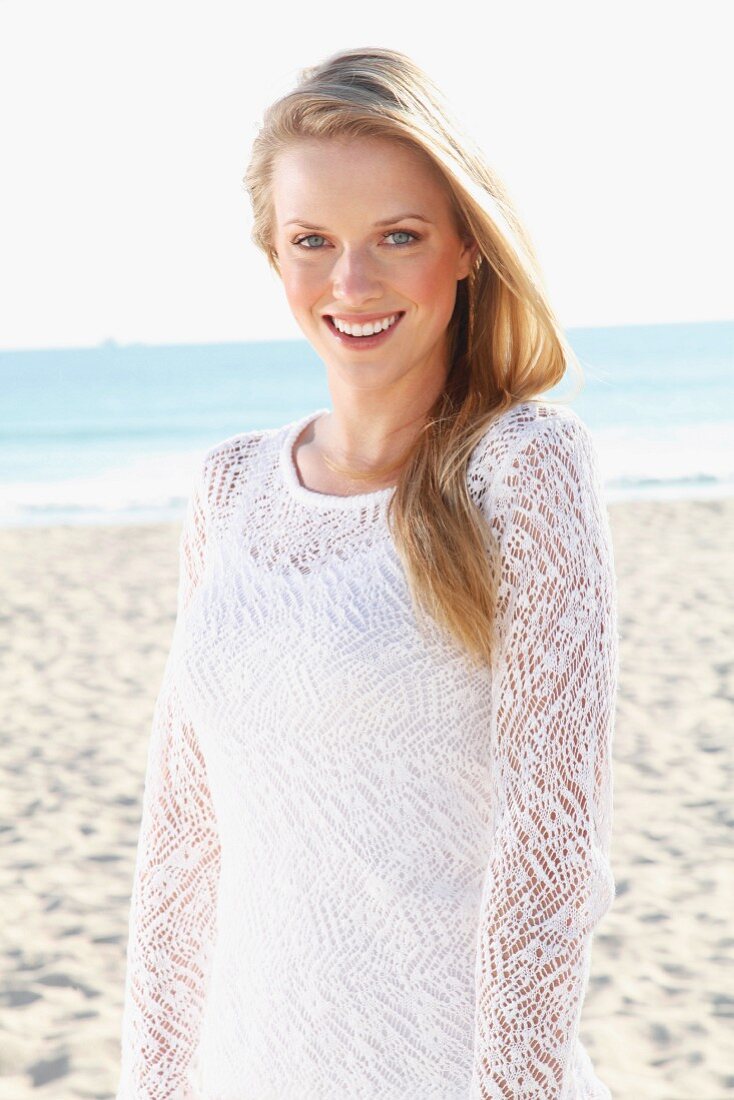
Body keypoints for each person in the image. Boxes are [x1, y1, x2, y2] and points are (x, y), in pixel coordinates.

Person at [115, 46, 619, 1100]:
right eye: (313, 241)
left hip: (445, 1071)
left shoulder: (525, 467)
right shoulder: (228, 488)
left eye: (397, 235)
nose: (350, 283)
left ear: (466, 247)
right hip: (245, 1068)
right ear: (273, 253)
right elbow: (183, 842)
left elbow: (548, 851)